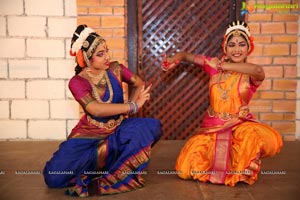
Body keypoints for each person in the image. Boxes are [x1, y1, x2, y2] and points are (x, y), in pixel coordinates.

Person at [43, 24, 162, 197]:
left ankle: (110, 171)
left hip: (117, 129)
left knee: (152, 126)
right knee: (53, 177)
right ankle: (102, 164)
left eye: (106, 51)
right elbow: (95, 109)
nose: (107, 57)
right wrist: (132, 106)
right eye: (100, 54)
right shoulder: (77, 82)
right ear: (86, 58)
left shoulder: (116, 69)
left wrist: (131, 104)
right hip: (88, 136)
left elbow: (139, 83)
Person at [162, 20, 282, 186]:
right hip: (213, 128)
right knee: (184, 169)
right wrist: (176, 58)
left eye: (241, 44)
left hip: (239, 126)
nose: (237, 49)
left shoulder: (247, 72)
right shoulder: (213, 67)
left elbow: (258, 71)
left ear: (249, 48)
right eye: (232, 45)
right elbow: (189, 57)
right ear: (225, 48)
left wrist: (222, 65)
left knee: (252, 137)